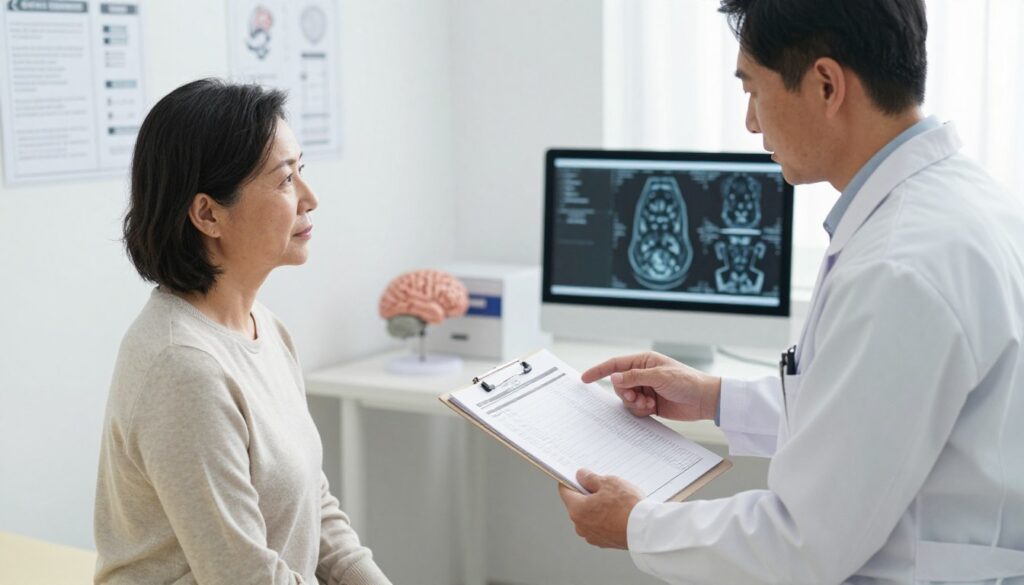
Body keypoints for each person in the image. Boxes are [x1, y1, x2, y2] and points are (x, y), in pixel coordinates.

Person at [558, 0, 1024, 583]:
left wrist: (636, 525)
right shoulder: (965, 202)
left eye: (753, 90)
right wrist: (714, 397)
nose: (751, 122)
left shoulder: (898, 268)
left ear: (826, 85)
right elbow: (873, 417)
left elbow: (801, 542)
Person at [94, 79, 392, 585]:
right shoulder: (183, 366)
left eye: (302, 172)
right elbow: (243, 577)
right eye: (284, 181)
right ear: (208, 213)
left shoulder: (267, 329)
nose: (310, 198)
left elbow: (314, 509)